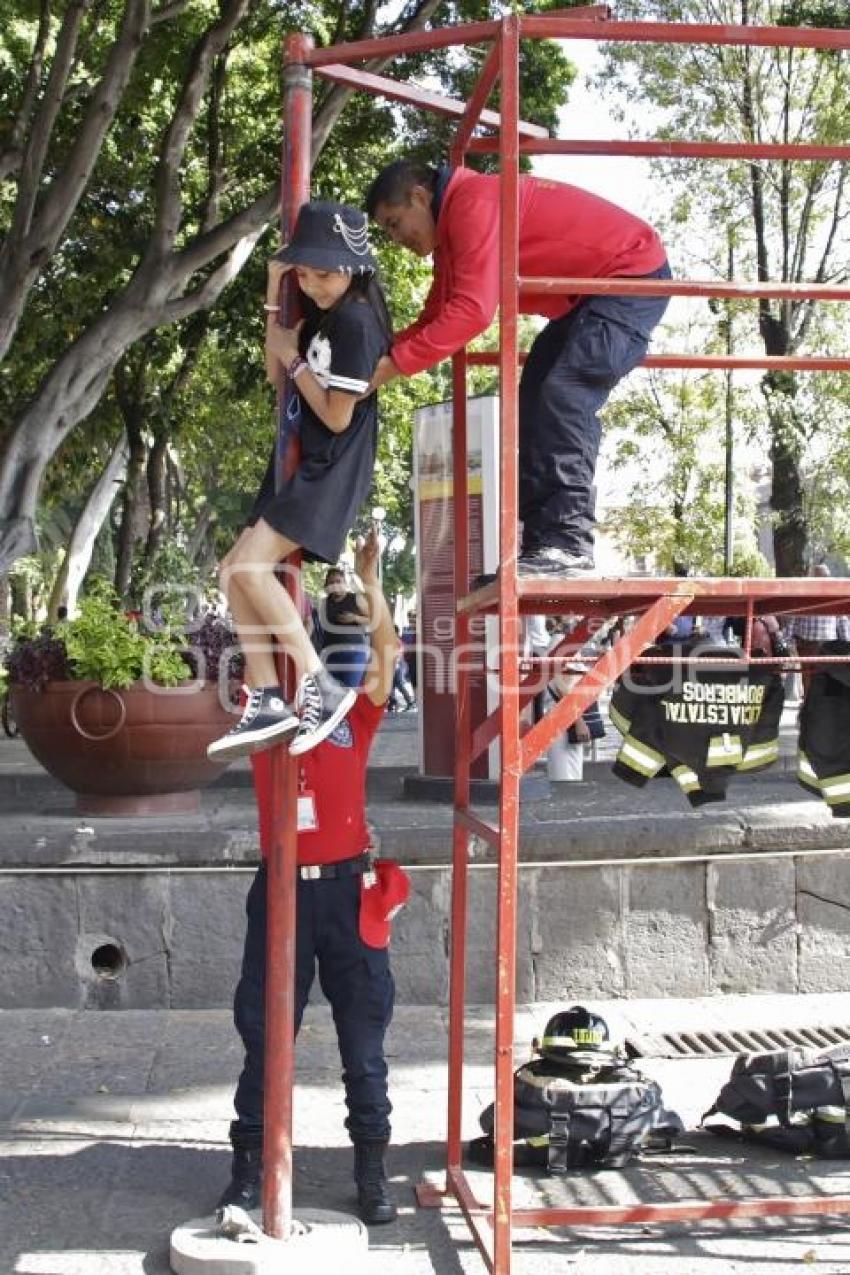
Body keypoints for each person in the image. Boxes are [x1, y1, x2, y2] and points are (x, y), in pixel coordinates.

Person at [218, 526, 406, 1226]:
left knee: (364, 1046)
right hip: (282, 889)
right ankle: (247, 1172)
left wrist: (369, 578)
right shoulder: (265, 713)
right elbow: (262, 614)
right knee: (265, 1040)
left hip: (347, 895)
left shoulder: (355, 711)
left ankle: (372, 1175)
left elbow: (387, 652)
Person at [365, 160, 670, 577]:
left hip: (632, 277)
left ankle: (568, 545)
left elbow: (472, 312)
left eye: (395, 223)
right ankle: (545, 544)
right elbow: (436, 314)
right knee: (535, 398)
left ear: (421, 196)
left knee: (563, 393)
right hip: (589, 296)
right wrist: (371, 357)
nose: (397, 239)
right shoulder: (453, 234)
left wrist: (390, 367)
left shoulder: (472, 204)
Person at [208, 202, 391, 761]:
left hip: (332, 463)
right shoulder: (325, 314)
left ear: (355, 269)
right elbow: (274, 371)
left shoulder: (359, 322)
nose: (312, 284)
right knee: (230, 572)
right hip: (302, 457)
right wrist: (272, 294)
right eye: (304, 273)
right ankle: (265, 696)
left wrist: (296, 363)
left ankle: (320, 683)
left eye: (325, 273)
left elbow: (336, 414)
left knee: (247, 567)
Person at [319, 566, 370, 689]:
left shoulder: (356, 599)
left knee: (348, 692)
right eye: (331, 583)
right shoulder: (324, 603)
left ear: (344, 583)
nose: (335, 585)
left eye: (338, 581)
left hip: (354, 653)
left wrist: (355, 618)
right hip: (330, 653)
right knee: (331, 693)